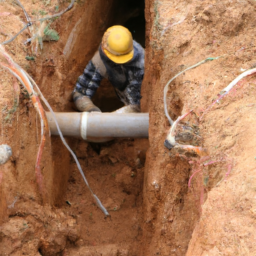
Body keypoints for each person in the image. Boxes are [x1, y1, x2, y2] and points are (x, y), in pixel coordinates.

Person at [72, 25, 145, 113]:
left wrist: (120, 115)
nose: (119, 62)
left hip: (140, 106)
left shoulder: (142, 63)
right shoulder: (100, 60)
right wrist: (90, 109)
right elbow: (81, 92)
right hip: (125, 99)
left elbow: (139, 103)